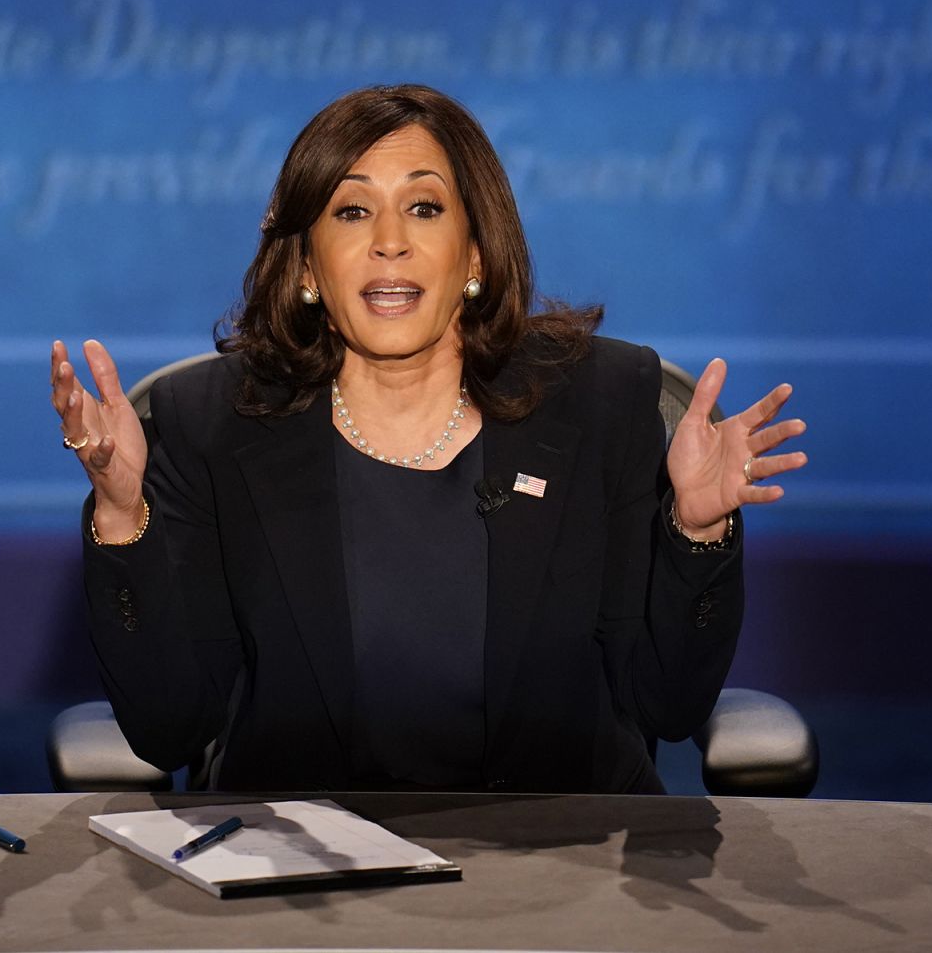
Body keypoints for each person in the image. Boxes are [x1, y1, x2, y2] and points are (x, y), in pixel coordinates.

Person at [49, 85, 807, 794]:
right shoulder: (210, 422)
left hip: (561, 867)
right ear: (308, 264)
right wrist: (122, 516)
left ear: (474, 255)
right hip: (303, 880)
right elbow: (169, 727)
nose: (389, 243)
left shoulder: (600, 403)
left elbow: (669, 705)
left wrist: (695, 531)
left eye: (423, 207)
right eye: (351, 212)